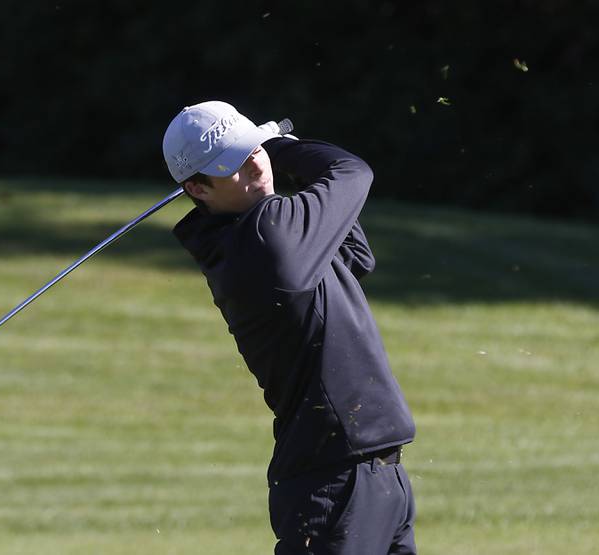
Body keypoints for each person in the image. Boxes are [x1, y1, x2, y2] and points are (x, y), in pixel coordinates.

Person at [163, 100, 417, 554]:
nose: (252, 164)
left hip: (370, 476)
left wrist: (267, 155)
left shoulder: (260, 232)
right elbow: (351, 172)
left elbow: (357, 258)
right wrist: (280, 147)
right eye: (233, 163)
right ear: (198, 188)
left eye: (251, 150)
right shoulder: (266, 235)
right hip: (334, 484)